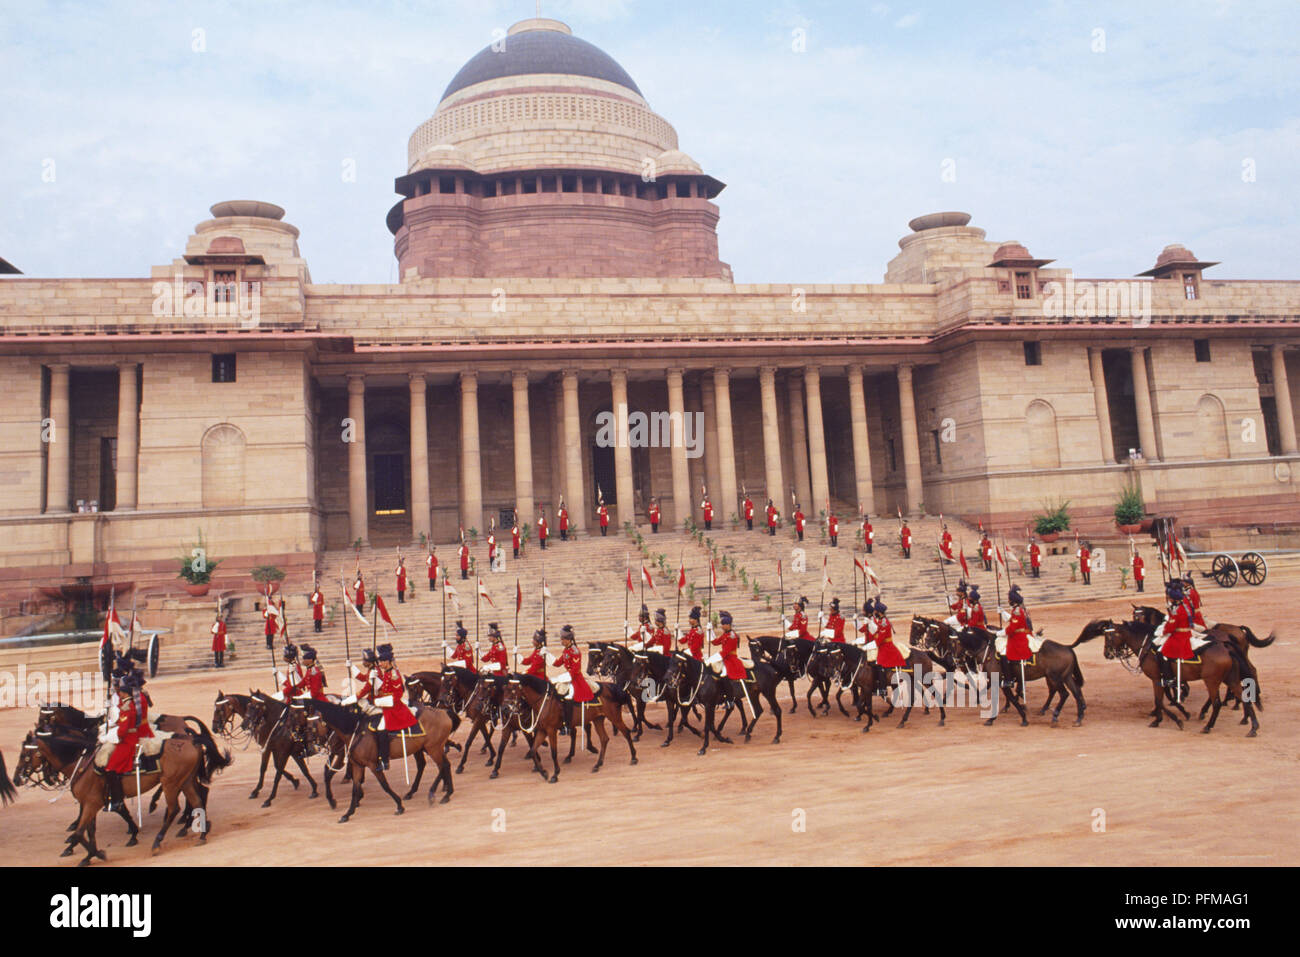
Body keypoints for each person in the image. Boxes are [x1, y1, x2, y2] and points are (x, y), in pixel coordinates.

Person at [99, 669, 154, 812]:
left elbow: (123, 730)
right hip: (129, 735)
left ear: (125, 693)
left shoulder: (127, 706)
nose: (119, 693)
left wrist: (110, 737)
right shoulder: (127, 703)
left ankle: (117, 799)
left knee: (111, 767)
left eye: (121, 692)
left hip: (128, 739)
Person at [368, 644, 418, 772]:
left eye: (382, 661)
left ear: (388, 662)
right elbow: (385, 690)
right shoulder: (387, 673)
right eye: (380, 661)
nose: (380, 664)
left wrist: (381, 701)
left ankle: (384, 760)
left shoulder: (394, 674)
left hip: (394, 708)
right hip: (386, 706)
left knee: (381, 729)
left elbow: (397, 694)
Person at [551, 626, 596, 736]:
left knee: (568, 696)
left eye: (563, 639)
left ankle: (568, 725)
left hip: (575, 679)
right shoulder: (566, 650)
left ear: (569, 639)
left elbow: (575, 670)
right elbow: (557, 663)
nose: (561, 641)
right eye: (561, 639)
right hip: (568, 676)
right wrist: (547, 655)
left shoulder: (575, 651)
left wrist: (563, 677)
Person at [1154, 580, 1194, 692]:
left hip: (1179, 637)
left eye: (1170, 597)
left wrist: (1162, 632)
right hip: (1187, 633)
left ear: (1173, 598)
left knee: (1162, 653)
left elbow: (1171, 627)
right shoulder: (1185, 606)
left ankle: (1169, 678)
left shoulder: (1178, 610)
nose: (1169, 599)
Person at [707, 611, 747, 682]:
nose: (722, 626)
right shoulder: (725, 634)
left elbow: (726, 652)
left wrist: (713, 658)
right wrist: (710, 631)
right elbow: (715, 642)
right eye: (722, 624)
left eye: (723, 624)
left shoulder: (732, 636)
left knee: (724, 673)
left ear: (728, 625)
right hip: (725, 657)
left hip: (730, 658)